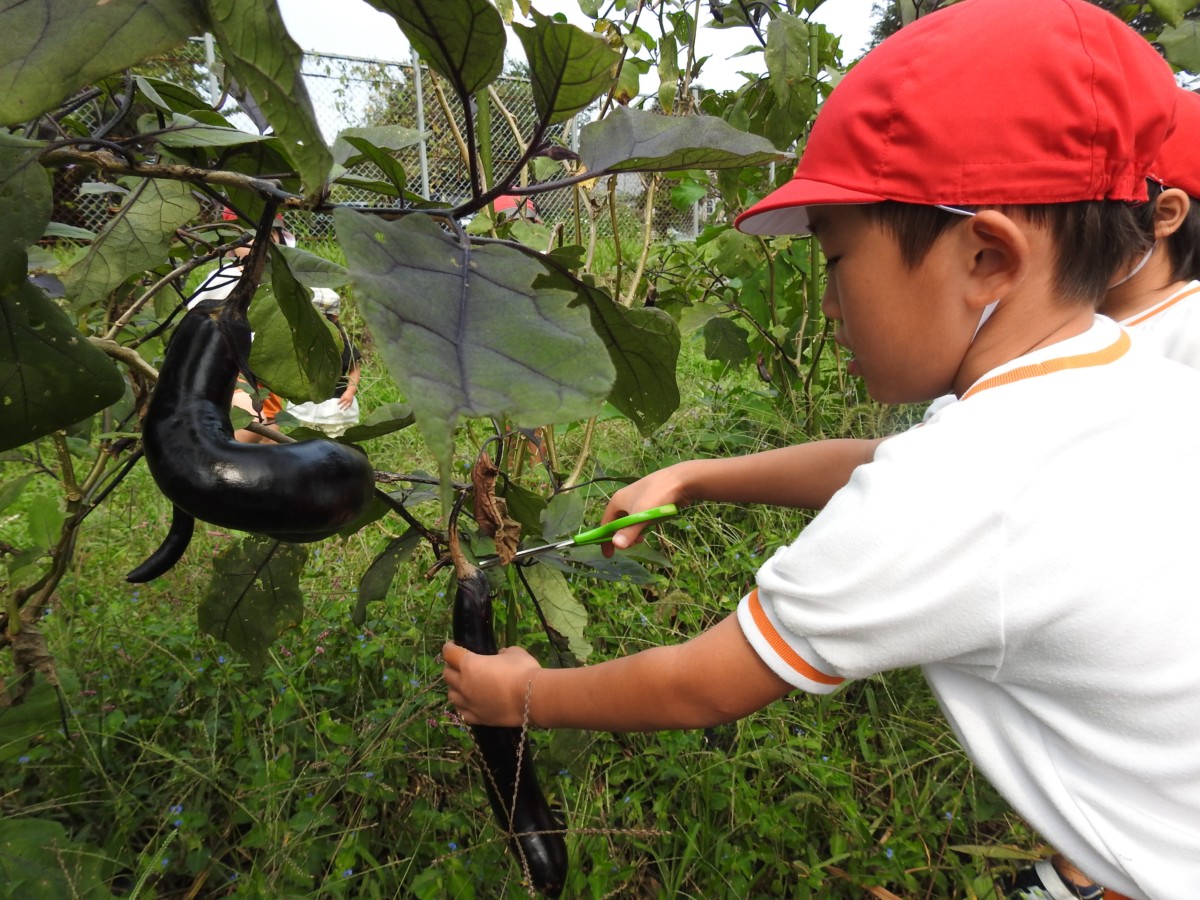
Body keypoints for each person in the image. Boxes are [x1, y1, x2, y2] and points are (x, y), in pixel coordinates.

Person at [441, 2, 1200, 898]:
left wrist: (523, 696)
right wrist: (698, 476)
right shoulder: (1122, 369)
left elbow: (704, 684)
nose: (832, 305)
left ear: (987, 258)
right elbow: (882, 466)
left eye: (836, 260)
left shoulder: (960, 490)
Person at [187, 212, 294, 443]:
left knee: (271, 433)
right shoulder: (222, 278)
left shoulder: (283, 281)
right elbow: (197, 319)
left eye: (266, 234)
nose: (257, 242)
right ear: (232, 245)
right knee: (249, 426)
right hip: (233, 365)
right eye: (247, 237)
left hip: (269, 369)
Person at [284, 287, 363, 437]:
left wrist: (351, 390)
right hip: (310, 399)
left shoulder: (343, 343)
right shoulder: (303, 342)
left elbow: (354, 367)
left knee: (335, 435)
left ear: (334, 318)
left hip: (336, 401)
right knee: (308, 433)